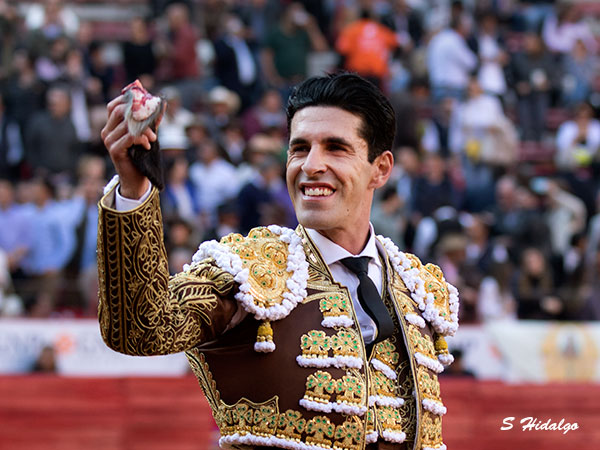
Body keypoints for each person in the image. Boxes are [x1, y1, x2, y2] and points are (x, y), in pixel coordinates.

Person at [99, 73, 459, 450]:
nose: (311, 165)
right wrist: (134, 189)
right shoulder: (248, 269)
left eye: (335, 148)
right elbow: (143, 327)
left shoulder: (417, 289)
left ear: (380, 169)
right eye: (300, 148)